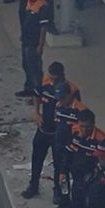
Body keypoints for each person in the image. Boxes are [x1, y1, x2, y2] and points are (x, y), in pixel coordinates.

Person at [23, 61, 76, 198]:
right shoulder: (45, 82)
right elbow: (36, 94)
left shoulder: (71, 90)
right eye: (51, 78)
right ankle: (33, 185)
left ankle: (58, 191)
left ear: (62, 76)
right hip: (43, 129)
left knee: (59, 164)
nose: (53, 81)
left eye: (55, 79)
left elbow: (76, 111)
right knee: (37, 158)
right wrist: (36, 113)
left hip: (59, 133)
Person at [16, 0, 51, 98]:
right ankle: (29, 89)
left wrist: (40, 45)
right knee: (26, 65)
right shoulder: (29, 3)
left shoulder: (42, 6)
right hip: (26, 40)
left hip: (33, 43)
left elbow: (43, 28)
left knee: (35, 69)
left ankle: (37, 94)